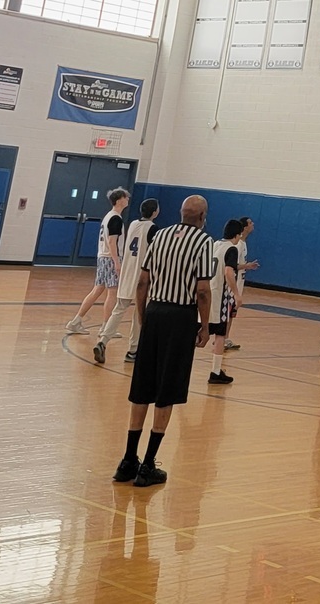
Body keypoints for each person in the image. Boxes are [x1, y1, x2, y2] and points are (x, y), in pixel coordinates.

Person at [112, 195, 213, 488]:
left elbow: (142, 281)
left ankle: (127, 460)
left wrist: (144, 315)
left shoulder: (160, 235)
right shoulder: (203, 242)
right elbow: (203, 290)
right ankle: (147, 465)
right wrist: (204, 325)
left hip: (155, 310)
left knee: (142, 386)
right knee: (167, 388)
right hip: (180, 317)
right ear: (203, 216)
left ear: (181, 214)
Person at [93, 198, 159, 364]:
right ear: (154, 212)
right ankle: (133, 350)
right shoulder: (152, 228)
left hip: (127, 271)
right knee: (139, 312)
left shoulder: (133, 224)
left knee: (119, 308)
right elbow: (154, 254)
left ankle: (103, 341)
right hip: (142, 274)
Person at [65, 187, 129, 335]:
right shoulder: (115, 218)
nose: (128, 200)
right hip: (109, 258)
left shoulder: (109, 216)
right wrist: (117, 262)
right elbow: (112, 242)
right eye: (126, 197)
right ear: (119, 200)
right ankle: (106, 329)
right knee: (112, 292)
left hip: (102, 257)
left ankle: (76, 321)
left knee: (97, 290)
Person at [208, 220, 244, 384]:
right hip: (219, 296)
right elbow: (228, 272)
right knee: (220, 333)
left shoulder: (215, 244)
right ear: (237, 235)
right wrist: (236, 294)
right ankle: (215, 371)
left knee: (198, 331)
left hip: (206, 292)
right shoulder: (232, 248)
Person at [224, 216, 259, 351]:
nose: (253, 224)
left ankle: (225, 337)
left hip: (239, 283)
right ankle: (223, 338)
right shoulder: (237, 245)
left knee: (231, 313)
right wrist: (247, 266)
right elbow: (232, 265)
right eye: (250, 223)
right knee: (228, 313)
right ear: (244, 227)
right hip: (233, 285)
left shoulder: (242, 244)